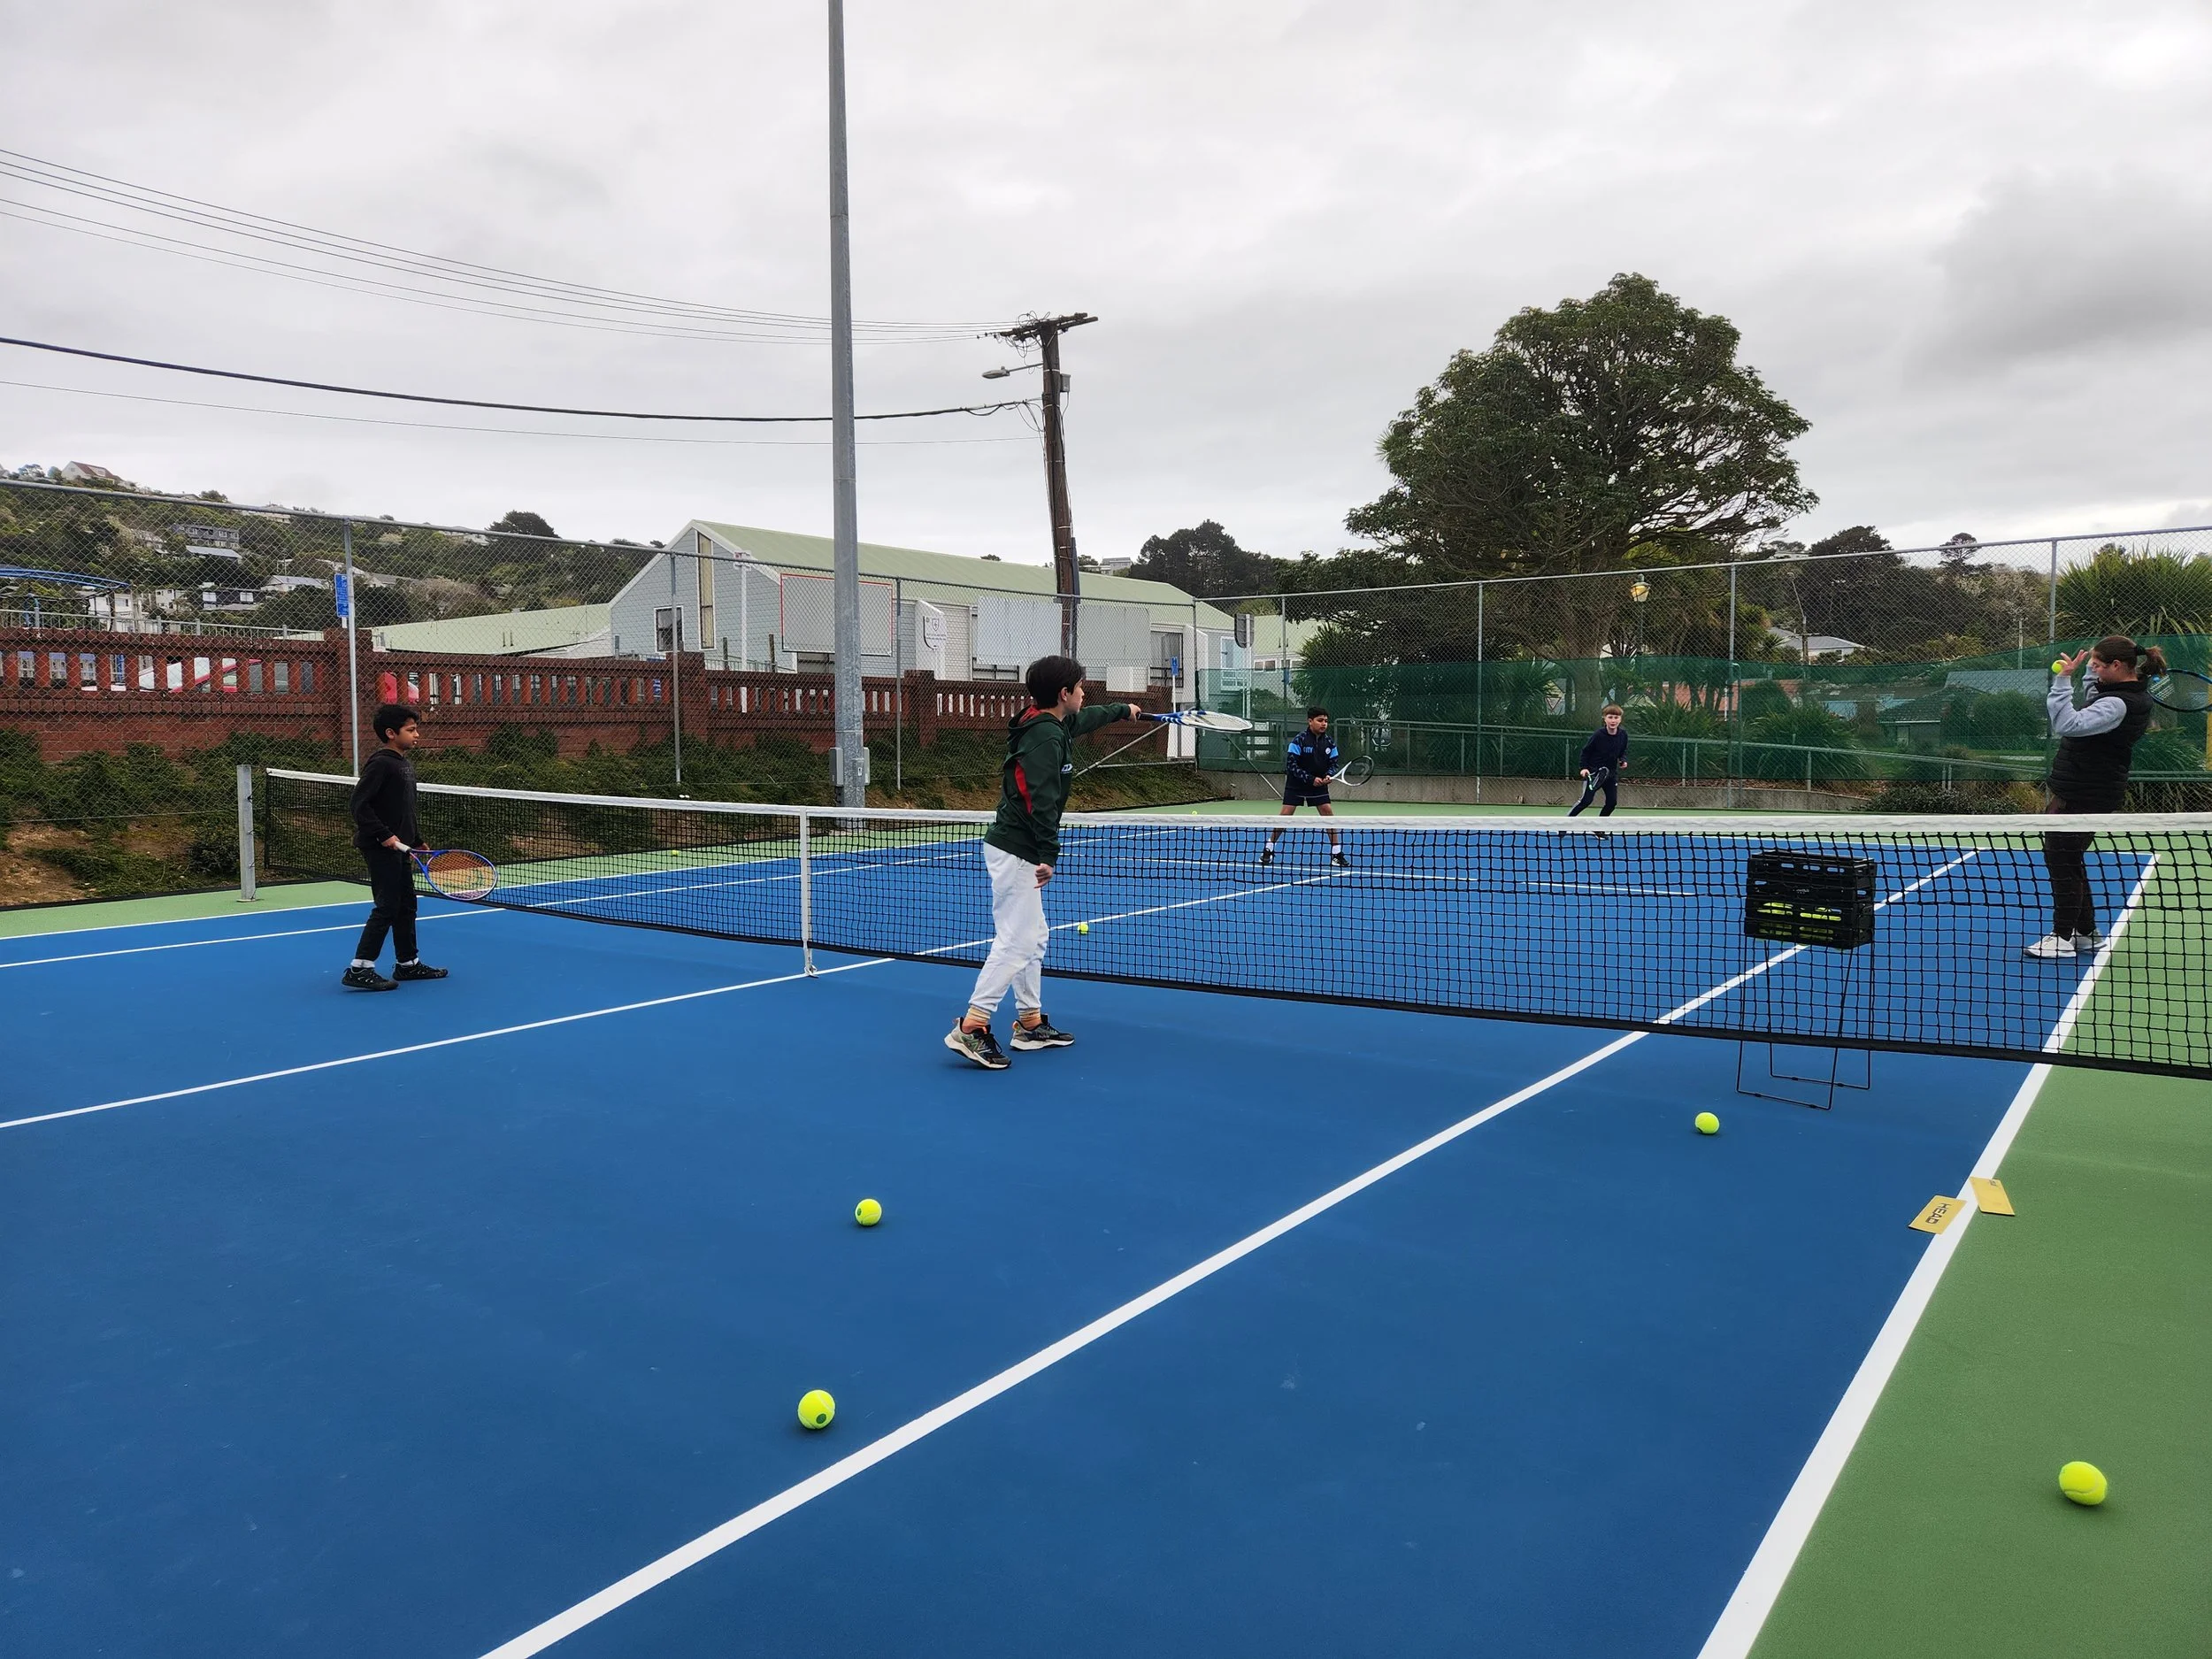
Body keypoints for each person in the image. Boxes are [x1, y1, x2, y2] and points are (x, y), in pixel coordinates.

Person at [945, 656, 1134, 1069]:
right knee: (1016, 941)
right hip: (1020, 848)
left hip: (1020, 847)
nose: (1085, 694)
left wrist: (1124, 710)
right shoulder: (1045, 738)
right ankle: (973, 1025)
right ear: (1064, 694)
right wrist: (1048, 854)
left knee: (1035, 937)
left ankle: (1029, 1023)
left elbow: (1085, 719)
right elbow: (1039, 799)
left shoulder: (1050, 722)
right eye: (1080, 688)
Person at [2026, 634, 2163, 960]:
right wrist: (2086, 671)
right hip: (2084, 788)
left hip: (2086, 792)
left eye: (2099, 665)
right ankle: (2086, 933)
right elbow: (2093, 695)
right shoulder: (2121, 692)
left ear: (2118, 666)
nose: (2094, 670)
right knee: (2068, 860)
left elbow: (2067, 723)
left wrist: (2062, 681)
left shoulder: (2117, 704)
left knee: (2060, 861)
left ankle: (2061, 937)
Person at [342, 703, 449, 991]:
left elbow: (402, 809)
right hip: (380, 848)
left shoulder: (403, 763)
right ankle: (360, 968)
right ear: (391, 733)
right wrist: (383, 835)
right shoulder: (381, 763)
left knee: (406, 906)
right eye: (410, 730)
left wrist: (415, 839)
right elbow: (359, 804)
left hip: (400, 847)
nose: (417, 734)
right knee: (387, 906)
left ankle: (408, 965)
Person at [1260, 707, 1348, 867]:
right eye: (1320, 720)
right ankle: (1268, 849)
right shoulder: (1298, 740)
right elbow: (1291, 765)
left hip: (1319, 784)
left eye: (1326, 721)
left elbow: (1333, 763)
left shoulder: (1329, 742)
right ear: (1310, 721)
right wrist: (1310, 779)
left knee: (1328, 812)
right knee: (1286, 814)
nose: (1324, 724)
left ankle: (1336, 854)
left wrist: (1328, 774)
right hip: (1297, 784)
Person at [1569, 704, 1629, 817]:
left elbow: (1623, 751)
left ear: (1620, 719)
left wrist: (1623, 760)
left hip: (1611, 774)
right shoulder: (1598, 735)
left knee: (1612, 803)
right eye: (1610, 717)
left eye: (1616, 718)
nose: (1613, 720)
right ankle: (1564, 823)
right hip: (1594, 773)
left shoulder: (1623, 735)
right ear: (1604, 719)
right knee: (1586, 801)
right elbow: (1586, 752)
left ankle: (1599, 828)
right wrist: (1584, 768)